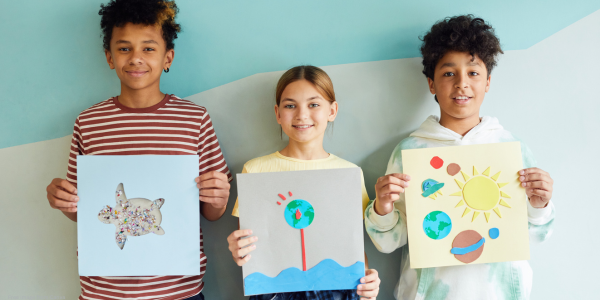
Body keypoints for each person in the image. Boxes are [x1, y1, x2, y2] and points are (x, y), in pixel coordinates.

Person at [45, 1, 230, 299]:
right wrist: (63, 200)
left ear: (167, 57)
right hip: (104, 290)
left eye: (148, 48)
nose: (135, 58)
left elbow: (211, 213)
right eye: (124, 48)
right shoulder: (89, 122)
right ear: (109, 57)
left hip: (177, 289)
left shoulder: (194, 119)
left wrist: (219, 198)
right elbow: (85, 210)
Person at [365, 15, 555, 300]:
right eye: (449, 73)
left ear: (488, 82)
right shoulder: (410, 151)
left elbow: (535, 236)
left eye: (473, 73)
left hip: (501, 292)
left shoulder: (511, 147)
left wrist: (539, 206)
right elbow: (389, 242)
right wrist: (382, 208)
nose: (462, 83)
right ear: (431, 84)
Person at [227, 65, 381, 300]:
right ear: (278, 113)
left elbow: (352, 248)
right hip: (274, 291)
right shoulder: (255, 171)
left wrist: (368, 280)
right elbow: (248, 247)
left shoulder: (348, 173)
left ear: (332, 110)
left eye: (313, 104)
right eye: (290, 105)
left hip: (338, 292)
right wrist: (238, 250)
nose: (301, 115)